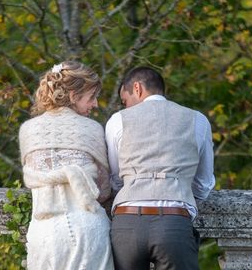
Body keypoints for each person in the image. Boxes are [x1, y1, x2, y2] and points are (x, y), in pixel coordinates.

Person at [105, 66, 215, 270]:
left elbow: (116, 180)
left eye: (125, 100)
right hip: (175, 223)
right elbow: (203, 185)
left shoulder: (117, 121)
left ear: (137, 88)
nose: (125, 106)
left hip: (127, 223)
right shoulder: (197, 120)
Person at [19, 61, 114, 270]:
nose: (96, 104)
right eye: (92, 97)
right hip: (88, 231)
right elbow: (104, 191)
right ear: (73, 96)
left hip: (44, 234)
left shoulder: (28, 130)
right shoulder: (92, 129)